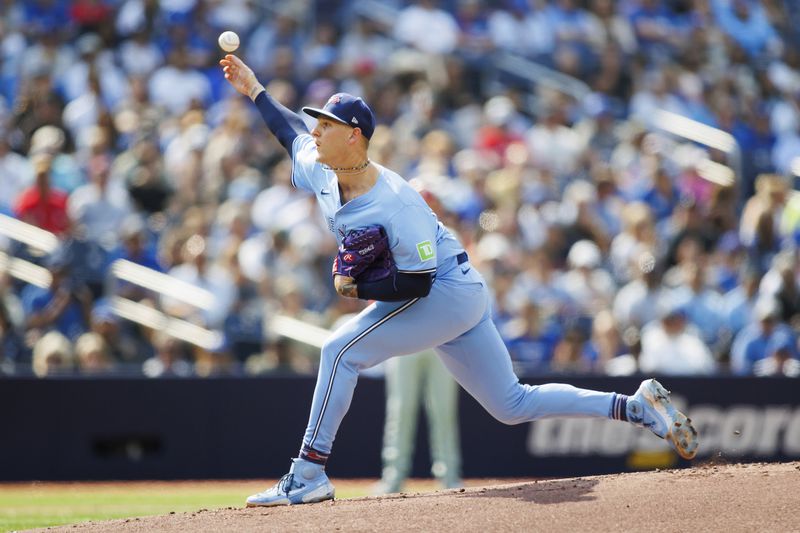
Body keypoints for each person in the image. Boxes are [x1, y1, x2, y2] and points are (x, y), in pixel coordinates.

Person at [219, 54, 699, 507]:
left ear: (355, 137)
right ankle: (634, 406)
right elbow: (287, 132)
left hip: (445, 289)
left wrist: (356, 289)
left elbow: (418, 283)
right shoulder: (322, 170)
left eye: (326, 125)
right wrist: (255, 89)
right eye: (318, 123)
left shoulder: (396, 202)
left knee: (339, 351)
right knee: (512, 404)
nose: (315, 131)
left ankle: (308, 475)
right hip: (457, 292)